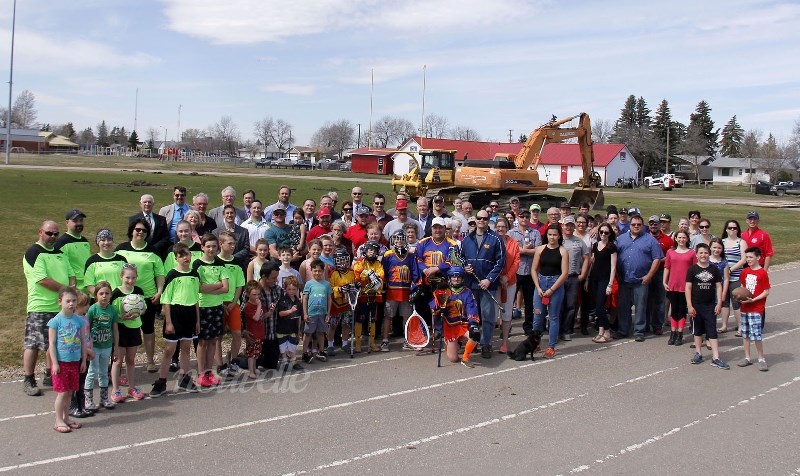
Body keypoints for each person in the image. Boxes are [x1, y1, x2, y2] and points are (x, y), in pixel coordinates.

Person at [23, 220, 74, 396]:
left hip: (60, 307)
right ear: (40, 232)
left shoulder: (60, 253)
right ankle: (28, 378)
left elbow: (71, 274)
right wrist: (67, 291)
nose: (52, 237)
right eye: (49, 233)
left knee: (54, 343)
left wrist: (71, 290)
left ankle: (49, 373)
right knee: (34, 343)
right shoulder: (34, 253)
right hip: (40, 306)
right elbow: (42, 280)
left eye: (55, 234)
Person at [149, 242, 201, 397]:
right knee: (169, 350)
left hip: (190, 313)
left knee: (186, 347)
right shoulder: (172, 275)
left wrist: (197, 320)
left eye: (187, 254)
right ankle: (161, 381)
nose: (186, 257)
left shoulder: (194, 274)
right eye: (181, 255)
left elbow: (196, 299)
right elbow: (166, 300)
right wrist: (169, 321)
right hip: (176, 314)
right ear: (176, 258)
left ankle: (184, 378)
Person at [116, 219, 165, 372]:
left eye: (144, 230)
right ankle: (120, 363)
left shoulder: (152, 250)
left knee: (148, 329)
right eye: (138, 229)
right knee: (125, 330)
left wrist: (159, 292)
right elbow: (117, 272)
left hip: (148, 297)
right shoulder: (121, 249)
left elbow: (160, 273)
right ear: (131, 231)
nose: (141, 232)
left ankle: (150, 361)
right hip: (125, 297)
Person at [461, 210, 505, 358]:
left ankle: (486, 344)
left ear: (488, 220)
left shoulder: (496, 239)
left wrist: (489, 279)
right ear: (475, 220)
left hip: (487, 285)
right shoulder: (467, 239)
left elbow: (500, 263)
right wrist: (464, 268)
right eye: (479, 218)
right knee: (472, 316)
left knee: (487, 316)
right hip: (471, 284)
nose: (481, 221)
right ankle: (472, 342)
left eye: (485, 219)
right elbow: (461, 259)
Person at [614, 214, 663, 341]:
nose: (636, 226)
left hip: (641, 280)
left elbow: (657, 258)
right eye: (633, 224)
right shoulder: (621, 239)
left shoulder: (650, 240)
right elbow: (614, 255)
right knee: (623, 307)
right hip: (624, 279)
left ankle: (639, 332)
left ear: (643, 225)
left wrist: (649, 275)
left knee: (641, 307)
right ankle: (623, 330)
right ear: (629, 225)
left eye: (639, 224)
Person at [47, 286, 88, 433]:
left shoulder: (79, 320)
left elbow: (83, 341)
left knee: (70, 392)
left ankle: (66, 418)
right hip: (61, 363)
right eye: (68, 301)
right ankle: (58, 420)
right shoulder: (55, 321)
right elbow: (51, 344)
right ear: (60, 302)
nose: (71, 304)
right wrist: (55, 363)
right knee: (62, 392)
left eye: (74, 301)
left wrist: (83, 361)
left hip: (75, 362)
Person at [193, 233, 229, 387]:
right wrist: (216, 285)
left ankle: (209, 372)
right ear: (202, 247)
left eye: (214, 246)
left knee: (213, 340)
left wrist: (209, 288)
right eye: (208, 246)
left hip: (217, 307)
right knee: (203, 342)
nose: (211, 249)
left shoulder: (220, 264)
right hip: (203, 307)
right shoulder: (197, 264)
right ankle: (201, 374)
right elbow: (198, 287)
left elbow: (225, 288)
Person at [686, 243, 727, 369]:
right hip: (696, 305)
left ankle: (716, 357)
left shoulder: (713, 269)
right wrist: (689, 305)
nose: (703, 255)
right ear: (696, 255)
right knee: (697, 331)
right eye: (701, 253)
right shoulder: (692, 269)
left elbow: (719, 286)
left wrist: (719, 302)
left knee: (712, 330)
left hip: (710, 305)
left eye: (705, 253)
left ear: (709, 254)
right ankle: (698, 353)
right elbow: (688, 287)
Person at [110, 263, 146, 403]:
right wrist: (122, 317)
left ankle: (132, 388)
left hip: (134, 329)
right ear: (121, 277)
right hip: (120, 330)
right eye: (127, 278)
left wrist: (138, 312)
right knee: (118, 360)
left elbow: (143, 308)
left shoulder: (138, 291)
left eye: (133, 277)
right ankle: (115, 390)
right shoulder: (116, 293)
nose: (130, 281)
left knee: (131, 360)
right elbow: (113, 315)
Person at [532, 224, 569, 358]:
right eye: (550, 234)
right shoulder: (540, 249)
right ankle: (535, 343)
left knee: (553, 317)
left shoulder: (563, 251)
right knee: (537, 316)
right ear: (546, 235)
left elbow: (564, 273)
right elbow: (534, 269)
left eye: (554, 235)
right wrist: (538, 287)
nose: (552, 237)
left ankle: (551, 346)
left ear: (559, 236)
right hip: (541, 284)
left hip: (556, 285)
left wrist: (552, 290)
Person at [432, 266, 481, 368]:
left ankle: (465, 358)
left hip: (464, 326)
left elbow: (471, 308)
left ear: (462, 278)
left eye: (458, 277)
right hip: (450, 327)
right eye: (453, 277)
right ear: (449, 278)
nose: (456, 279)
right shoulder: (444, 291)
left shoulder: (467, 292)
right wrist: (439, 307)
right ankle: (450, 343)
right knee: (453, 359)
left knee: (475, 334)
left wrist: (473, 324)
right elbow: (434, 309)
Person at [83, 281, 119, 410]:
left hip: (107, 346)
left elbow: (115, 330)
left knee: (104, 372)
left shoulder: (112, 310)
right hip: (95, 347)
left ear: (110, 295)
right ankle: (88, 400)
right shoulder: (93, 309)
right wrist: (88, 346)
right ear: (96, 296)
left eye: (107, 293)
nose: (104, 296)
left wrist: (116, 348)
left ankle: (104, 398)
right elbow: (87, 327)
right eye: (101, 293)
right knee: (92, 372)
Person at [216, 231, 246, 377]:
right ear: (221, 244)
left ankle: (233, 362)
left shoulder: (237, 262)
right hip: (217, 303)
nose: (233, 246)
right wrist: (221, 303)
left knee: (237, 333)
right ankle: (220, 365)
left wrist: (233, 303)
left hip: (233, 303)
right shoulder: (215, 261)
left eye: (234, 243)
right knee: (218, 336)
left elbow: (240, 285)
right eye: (230, 243)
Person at [382, 231, 418, 351]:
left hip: (406, 291)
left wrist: (415, 288)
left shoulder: (411, 256)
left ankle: (407, 340)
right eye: (397, 239)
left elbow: (414, 273)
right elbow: (384, 272)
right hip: (392, 291)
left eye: (401, 239)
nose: (399, 241)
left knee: (406, 317)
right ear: (393, 240)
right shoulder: (388, 255)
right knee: (388, 316)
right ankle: (385, 341)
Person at [508, 209, 542, 335]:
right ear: (518, 218)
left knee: (529, 302)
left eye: (527, 216)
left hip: (530, 272)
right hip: (515, 271)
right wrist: (525, 250)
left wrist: (521, 250)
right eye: (522, 216)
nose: (524, 219)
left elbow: (538, 250)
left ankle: (528, 327)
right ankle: (507, 326)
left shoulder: (535, 233)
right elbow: (510, 251)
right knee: (509, 301)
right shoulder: (511, 233)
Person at [737, 247, 771, 371]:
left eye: (751, 257)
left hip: (756, 308)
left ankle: (761, 358)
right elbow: (742, 287)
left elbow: (766, 292)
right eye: (747, 257)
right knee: (745, 334)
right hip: (745, 307)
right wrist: (739, 296)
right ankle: (747, 357)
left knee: (756, 335)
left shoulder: (762, 273)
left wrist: (754, 299)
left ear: (758, 258)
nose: (748, 259)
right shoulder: (745, 271)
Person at [558, 215, 589, 340]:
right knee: (558, 305)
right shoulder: (558, 240)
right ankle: (556, 329)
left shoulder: (579, 241)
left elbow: (586, 258)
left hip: (573, 277)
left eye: (571, 225)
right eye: (567, 225)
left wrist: (583, 275)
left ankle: (566, 330)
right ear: (562, 226)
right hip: (559, 278)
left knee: (571, 305)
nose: (569, 227)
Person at [663, 231, 696, 346]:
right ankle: (673, 332)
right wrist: (664, 281)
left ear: (687, 239)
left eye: (684, 237)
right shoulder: (670, 252)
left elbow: (694, 270)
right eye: (679, 237)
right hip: (672, 285)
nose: (681, 239)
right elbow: (667, 267)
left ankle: (680, 333)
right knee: (674, 310)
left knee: (682, 310)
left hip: (685, 286)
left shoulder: (692, 253)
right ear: (676, 238)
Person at [352, 241, 385, 353]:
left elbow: (381, 276)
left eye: (374, 250)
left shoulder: (378, 264)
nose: (372, 252)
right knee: (360, 319)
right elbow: (357, 273)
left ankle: (372, 343)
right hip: (362, 296)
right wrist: (367, 273)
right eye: (370, 250)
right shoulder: (360, 262)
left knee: (372, 320)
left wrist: (373, 275)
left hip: (373, 296)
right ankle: (357, 343)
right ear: (365, 251)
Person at [494, 218, 520, 353]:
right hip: (493, 283)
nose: (500, 229)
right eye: (498, 226)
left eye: (503, 226)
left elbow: (516, 262)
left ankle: (504, 342)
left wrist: (507, 277)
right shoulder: (491, 241)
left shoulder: (513, 243)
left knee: (506, 312)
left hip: (509, 283)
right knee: (492, 313)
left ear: (507, 228)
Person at [588, 223, 617, 343]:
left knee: (600, 307)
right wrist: (587, 279)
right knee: (597, 307)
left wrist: (610, 284)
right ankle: (600, 332)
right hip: (594, 278)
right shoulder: (595, 245)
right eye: (601, 232)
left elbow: (613, 267)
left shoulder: (612, 247)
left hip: (604, 280)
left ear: (610, 234)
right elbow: (592, 262)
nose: (603, 234)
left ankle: (607, 331)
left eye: (606, 232)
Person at [647, 215, 673, 335]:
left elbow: (670, 257)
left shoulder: (667, 240)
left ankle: (657, 325)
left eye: (655, 223)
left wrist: (657, 260)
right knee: (646, 300)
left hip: (661, 272)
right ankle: (646, 324)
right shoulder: (644, 237)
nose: (653, 226)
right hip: (646, 272)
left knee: (660, 300)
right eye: (651, 223)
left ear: (659, 225)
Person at [302, 259, 333, 361]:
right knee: (308, 333)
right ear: (311, 271)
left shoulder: (326, 284)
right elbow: (305, 299)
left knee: (321, 333)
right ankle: (305, 353)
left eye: (319, 271)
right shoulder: (308, 284)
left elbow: (329, 299)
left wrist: (328, 313)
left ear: (323, 271)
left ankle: (321, 351)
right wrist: (305, 313)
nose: (317, 273)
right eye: (315, 271)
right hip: (311, 313)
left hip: (322, 313)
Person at [69, 292, 93, 418]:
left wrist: (91, 349)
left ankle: (81, 406)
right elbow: (76, 339)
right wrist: (88, 351)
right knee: (76, 382)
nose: (88, 306)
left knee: (82, 381)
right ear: (77, 306)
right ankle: (73, 406)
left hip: (86, 354)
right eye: (85, 304)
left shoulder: (85, 319)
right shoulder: (74, 321)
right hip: (78, 355)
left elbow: (88, 336)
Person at [55, 209, 91, 292]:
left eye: (81, 220)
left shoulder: (85, 241)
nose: (79, 223)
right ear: (67, 223)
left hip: (88, 287)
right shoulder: (61, 243)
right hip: (74, 290)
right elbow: (60, 269)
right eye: (75, 221)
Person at [720, 220, 746, 334]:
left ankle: (740, 327)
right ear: (726, 229)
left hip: (736, 277)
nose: (732, 230)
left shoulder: (741, 242)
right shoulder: (722, 242)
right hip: (723, 278)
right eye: (730, 228)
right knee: (724, 302)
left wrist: (731, 269)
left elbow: (744, 259)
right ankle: (724, 325)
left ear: (738, 230)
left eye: (734, 228)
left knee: (736, 302)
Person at [84, 229, 128, 296]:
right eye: (103, 240)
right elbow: (89, 286)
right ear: (98, 242)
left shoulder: (122, 260)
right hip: (100, 302)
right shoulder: (91, 261)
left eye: (109, 240)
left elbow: (128, 280)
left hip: (118, 300)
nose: (106, 243)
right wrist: (102, 298)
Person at [329, 248, 356, 354]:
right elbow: (330, 288)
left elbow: (355, 285)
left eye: (344, 260)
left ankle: (345, 344)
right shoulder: (333, 274)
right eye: (339, 260)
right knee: (333, 325)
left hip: (347, 304)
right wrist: (339, 289)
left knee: (346, 325)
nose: (342, 262)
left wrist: (354, 287)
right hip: (336, 305)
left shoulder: (351, 273)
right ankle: (330, 345)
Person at [130, 194, 171, 259]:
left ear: (153, 204)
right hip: (139, 252)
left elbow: (165, 237)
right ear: (140, 204)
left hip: (157, 253)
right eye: (145, 202)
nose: (147, 204)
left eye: (149, 202)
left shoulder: (161, 219)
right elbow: (130, 237)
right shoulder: (133, 219)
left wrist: (155, 247)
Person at [276, 276, 304, 371]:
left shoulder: (298, 302)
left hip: (293, 328)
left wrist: (299, 330)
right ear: (285, 289)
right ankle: (284, 361)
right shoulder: (282, 300)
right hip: (282, 328)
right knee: (283, 346)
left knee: (292, 346)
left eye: (294, 289)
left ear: (297, 289)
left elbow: (299, 317)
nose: (291, 291)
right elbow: (280, 313)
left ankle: (293, 361)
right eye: (289, 289)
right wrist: (290, 311)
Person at [213, 204, 251, 270]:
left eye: (231, 213)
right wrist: (224, 257)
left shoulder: (244, 231)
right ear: (224, 215)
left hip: (239, 265)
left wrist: (232, 257)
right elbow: (215, 248)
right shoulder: (216, 232)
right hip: (221, 265)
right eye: (227, 213)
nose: (229, 215)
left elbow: (246, 249)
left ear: (235, 214)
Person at [242, 281, 265, 379]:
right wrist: (259, 306)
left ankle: (254, 368)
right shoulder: (248, 306)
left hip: (260, 332)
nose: (257, 297)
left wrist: (271, 311)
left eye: (258, 294)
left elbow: (262, 316)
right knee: (251, 353)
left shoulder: (258, 304)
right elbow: (255, 318)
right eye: (254, 294)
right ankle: (250, 370)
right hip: (253, 333)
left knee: (257, 353)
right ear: (248, 294)